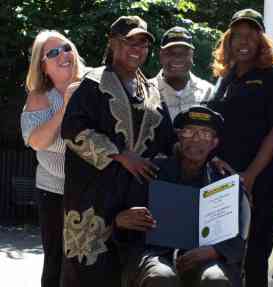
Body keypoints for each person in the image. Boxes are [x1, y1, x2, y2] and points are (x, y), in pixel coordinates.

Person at [61, 16, 174, 286]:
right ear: (112, 43)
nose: (137, 48)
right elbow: (72, 130)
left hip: (137, 201)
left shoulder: (152, 90)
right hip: (93, 204)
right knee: (91, 274)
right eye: (129, 41)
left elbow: (168, 141)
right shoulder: (93, 84)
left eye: (143, 43)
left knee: (133, 274)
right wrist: (120, 154)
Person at [113, 106, 251, 287]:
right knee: (160, 276)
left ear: (214, 143)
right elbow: (123, 224)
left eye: (205, 134)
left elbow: (239, 235)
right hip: (155, 253)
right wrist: (121, 220)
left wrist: (215, 251)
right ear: (179, 136)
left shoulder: (224, 182)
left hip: (208, 256)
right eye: (189, 132)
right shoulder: (151, 170)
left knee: (214, 279)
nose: (195, 139)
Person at [208, 8, 273, 287]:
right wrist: (214, 158)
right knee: (221, 253)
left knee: (254, 254)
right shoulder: (225, 78)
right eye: (237, 36)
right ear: (228, 42)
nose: (243, 42)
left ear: (261, 41)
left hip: (259, 181)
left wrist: (250, 175)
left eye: (250, 36)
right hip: (222, 179)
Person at [20, 30, 85, 287]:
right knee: (57, 261)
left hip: (92, 189)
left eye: (66, 47)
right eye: (53, 53)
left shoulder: (94, 84)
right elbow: (37, 141)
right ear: (43, 65)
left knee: (88, 262)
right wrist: (66, 105)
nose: (63, 55)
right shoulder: (40, 96)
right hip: (54, 191)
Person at [151, 26, 214, 120]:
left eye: (184, 53)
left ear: (192, 55)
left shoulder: (208, 92)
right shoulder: (147, 91)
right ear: (161, 55)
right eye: (170, 53)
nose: (177, 58)